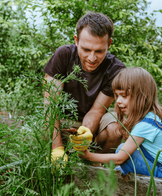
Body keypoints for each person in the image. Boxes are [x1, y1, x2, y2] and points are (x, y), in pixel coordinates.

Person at [73, 67, 162, 181]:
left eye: (123, 95)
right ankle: (116, 172)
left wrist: (88, 155)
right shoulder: (150, 117)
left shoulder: (145, 125)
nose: (118, 101)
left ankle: (111, 176)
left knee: (124, 154)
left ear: (142, 96)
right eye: (117, 95)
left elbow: (120, 158)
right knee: (124, 153)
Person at [43, 12, 126, 164]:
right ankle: (62, 153)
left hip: (93, 123)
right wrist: (57, 149)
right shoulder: (63, 55)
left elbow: (97, 110)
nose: (92, 58)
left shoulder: (116, 69)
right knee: (42, 127)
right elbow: (50, 107)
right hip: (62, 122)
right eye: (86, 50)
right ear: (76, 40)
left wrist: (85, 131)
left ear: (108, 44)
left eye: (99, 51)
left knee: (116, 128)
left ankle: (94, 164)